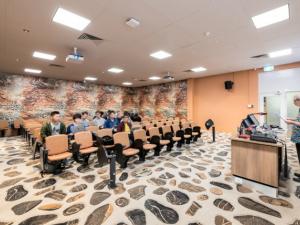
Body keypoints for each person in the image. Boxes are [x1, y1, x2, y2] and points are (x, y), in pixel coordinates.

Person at [284, 94, 300, 183]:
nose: (294, 103)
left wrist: (291, 122)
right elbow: (298, 119)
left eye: (295, 102)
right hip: (298, 137)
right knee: (299, 155)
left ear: (298, 100)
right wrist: (292, 119)